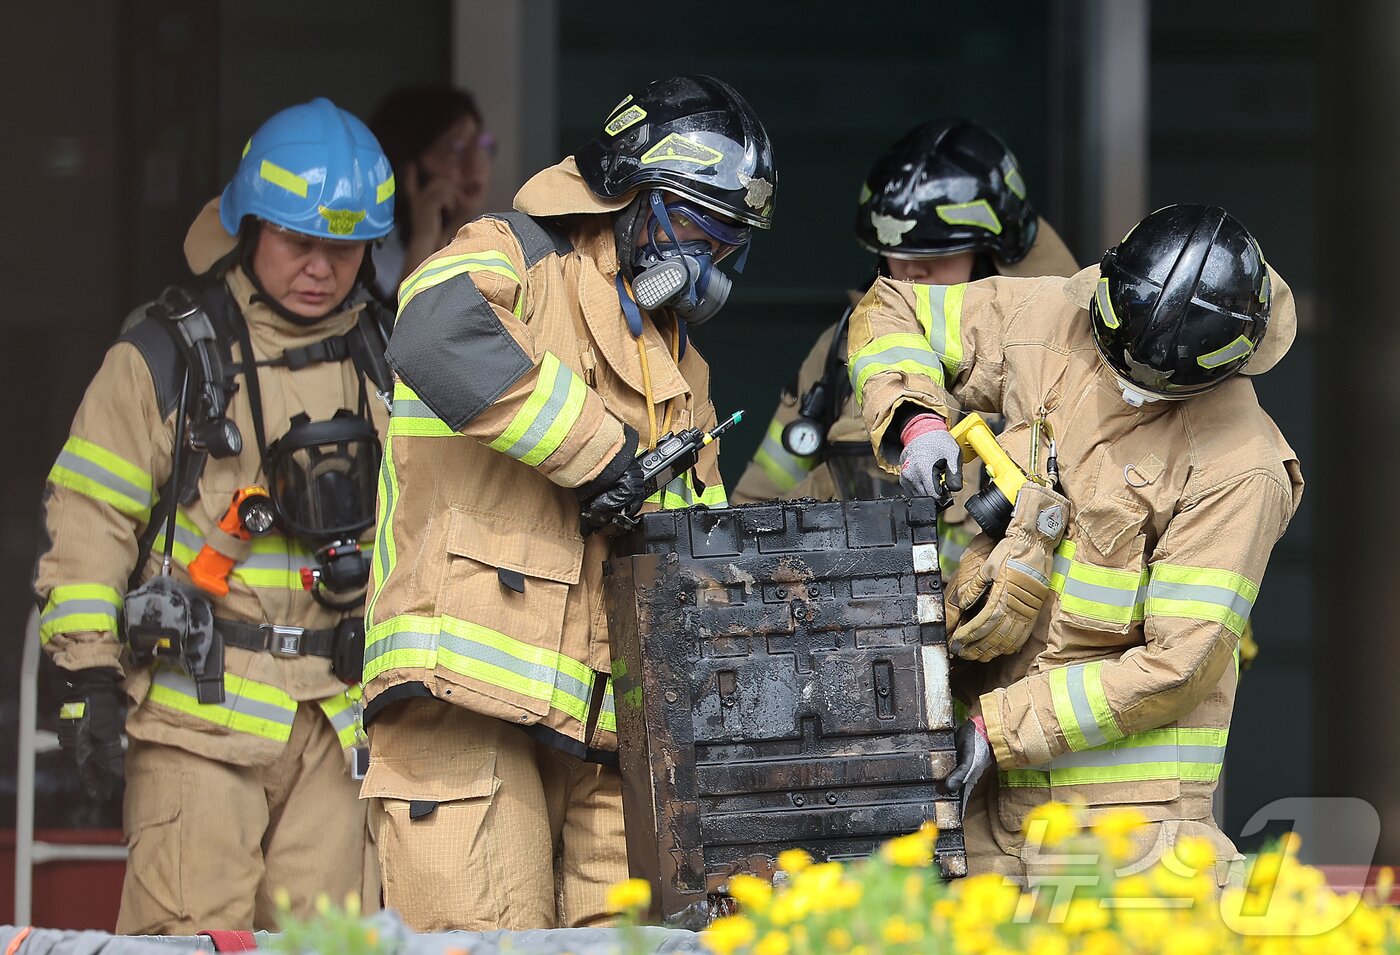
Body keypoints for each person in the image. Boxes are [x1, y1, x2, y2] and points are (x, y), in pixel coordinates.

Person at [361, 74, 775, 931]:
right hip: (467, 708)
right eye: (698, 227)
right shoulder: (511, 251)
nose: (709, 265)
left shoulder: (682, 368)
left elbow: (697, 559)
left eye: (730, 243)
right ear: (628, 189)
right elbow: (434, 330)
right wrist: (602, 453)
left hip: (613, 744)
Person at [848, 204, 1303, 884]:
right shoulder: (1053, 316)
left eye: (1153, 381)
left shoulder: (1242, 467)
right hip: (979, 807)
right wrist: (917, 420)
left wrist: (996, 729)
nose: (1128, 383)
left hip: (1126, 832)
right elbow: (891, 309)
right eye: (1118, 358)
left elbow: (1177, 667)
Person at [35, 98, 396, 932]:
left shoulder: (391, 358)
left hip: (338, 726)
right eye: (299, 242)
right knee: (187, 940)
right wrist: (88, 677)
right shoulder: (167, 358)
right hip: (197, 720)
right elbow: (88, 518)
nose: (321, 268)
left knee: (328, 950)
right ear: (249, 227)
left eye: (344, 248)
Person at [729, 119, 1078, 577]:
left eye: (936, 254)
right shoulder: (843, 352)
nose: (911, 272)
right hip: (868, 614)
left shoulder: (1064, 361)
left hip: (1003, 619)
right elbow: (755, 513)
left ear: (992, 254)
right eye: (898, 254)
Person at [368, 86, 494, 302]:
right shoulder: (373, 258)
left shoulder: (491, 245)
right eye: (454, 148)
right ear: (408, 171)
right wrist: (424, 238)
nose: (475, 165)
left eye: (480, 145)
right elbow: (401, 321)